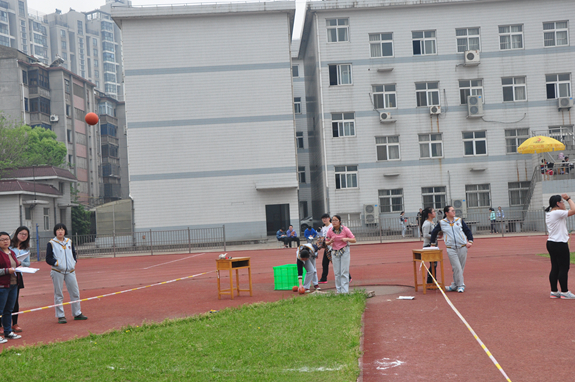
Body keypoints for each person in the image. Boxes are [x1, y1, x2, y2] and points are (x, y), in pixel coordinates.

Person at [46, 223, 88, 323]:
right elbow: (48, 258)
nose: (60, 231)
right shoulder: (51, 243)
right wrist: (56, 263)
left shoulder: (69, 242)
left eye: (62, 229)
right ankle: (61, 315)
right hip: (57, 271)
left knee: (75, 292)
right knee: (59, 294)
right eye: (58, 230)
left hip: (70, 271)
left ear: (65, 231)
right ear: (55, 231)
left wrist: (73, 262)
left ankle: (77, 313)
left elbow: (73, 253)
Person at [430, 206, 474, 293]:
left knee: (459, 268)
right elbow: (434, 232)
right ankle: (461, 285)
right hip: (451, 248)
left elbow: (467, 231)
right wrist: (432, 244)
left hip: (462, 247)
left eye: (454, 210)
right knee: (457, 267)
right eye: (452, 211)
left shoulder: (459, 220)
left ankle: (454, 285)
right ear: (446, 213)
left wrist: (470, 241)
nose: (454, 212)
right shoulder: (442, 222)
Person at [545, 194, 575, 299]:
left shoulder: (550, 213)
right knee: (564, 267)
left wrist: (565, 202)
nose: (563, 203)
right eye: (561, 201)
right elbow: (574, 210)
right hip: (559, 243)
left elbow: (568, 210)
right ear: (557, 204)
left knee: (555, 267)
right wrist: (569, 199)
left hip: (551, 242)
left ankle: (554, 291)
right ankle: (565, 292)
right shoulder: (557, 213)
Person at [325, 215, 356, 294]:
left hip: (344, 250)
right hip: (334, 251)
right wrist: (330, 241)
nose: (334, 222)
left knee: (344, 271)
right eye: (333, 220)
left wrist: (347, 239)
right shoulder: (330, 230)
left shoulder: (345, 229)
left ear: (340, 221)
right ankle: (339, 291)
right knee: (337, 272)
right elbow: (326, 242)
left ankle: (345, 291)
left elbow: (354, 240)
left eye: (336, 220)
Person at [0, 231, 21, 342]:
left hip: (13, 284)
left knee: (9, 310)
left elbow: (15, 265)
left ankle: (8, 332)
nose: (5, 241)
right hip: (2, 286)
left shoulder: (12, 252)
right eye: (2, 239)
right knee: (0, 310)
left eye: (7, 239)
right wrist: (7, 270)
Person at [9, 226, 30, 333]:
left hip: (18, 276)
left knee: (15, 301)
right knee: (3, 300)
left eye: (25, 235)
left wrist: (21, 263)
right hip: (6, 275)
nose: (23, 236)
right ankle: (2, 325)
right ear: (17, 233)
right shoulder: (9, 246)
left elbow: (28, 263)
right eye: (21, 233)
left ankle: (15, 323)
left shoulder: (25, 249)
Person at [420, 207, 437, 283]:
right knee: (433, 264)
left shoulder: (432, 222)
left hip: (434, 245)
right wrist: (434, 236)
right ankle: (431, 281)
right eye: (433, 212)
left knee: (434, 264)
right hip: (428, 245)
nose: (435, 213)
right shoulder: (427, 224)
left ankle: (433, 280)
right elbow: (425, 234)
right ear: (429, 214)